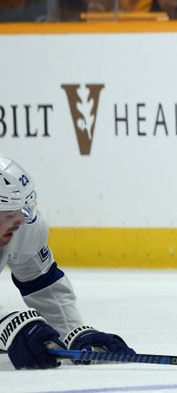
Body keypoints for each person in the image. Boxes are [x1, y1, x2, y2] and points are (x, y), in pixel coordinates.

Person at [0, 154, 134, 369]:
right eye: (12, 213)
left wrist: (72, 331)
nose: (21, 220)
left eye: (25, 209)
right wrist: (7, 327)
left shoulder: (25, 229)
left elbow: (41, 283)